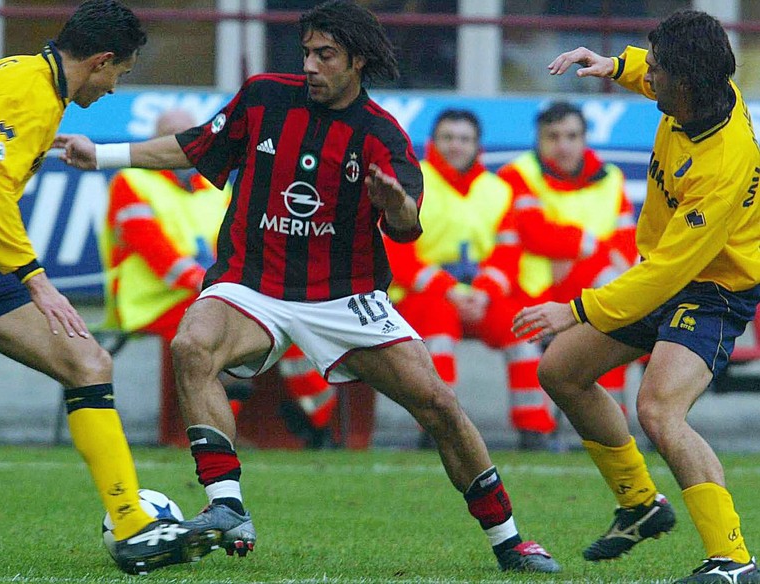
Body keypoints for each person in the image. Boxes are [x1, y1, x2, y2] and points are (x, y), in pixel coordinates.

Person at [57, 0, 561, 574]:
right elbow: (194, 145)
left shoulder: (381, 136)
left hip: (345, 297)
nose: (312, 66)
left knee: (440, 406)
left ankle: (510, 540)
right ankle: (226, 506)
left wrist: (395, 205)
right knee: (192, 345)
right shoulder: (265, 96)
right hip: (252, 282)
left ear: (358, 61)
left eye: (326, 55)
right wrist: (103, 155)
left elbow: (407, 222)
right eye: (307, 53)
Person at [0, 1, 203, 576]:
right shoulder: (26, 87)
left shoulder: (43, 90)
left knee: (87, 360)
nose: (113, 90)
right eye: (120, 75)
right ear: (103, 61)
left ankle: (133, 523)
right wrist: (37, 281)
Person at [514, 10, 760, 583]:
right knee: (560, 370)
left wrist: (572, 308)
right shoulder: (694, 91)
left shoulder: (724, 164)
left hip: (714, 289)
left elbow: (668, 274)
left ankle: (734, 559)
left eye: (658, 71)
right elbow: (654, 69)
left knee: (658, 409)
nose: (650, 77)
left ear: (688, 84)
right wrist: (614, 64)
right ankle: (641, 504)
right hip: (665, 270)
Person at [103, 108, 338, 448]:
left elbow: (241, 245)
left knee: (278, 309)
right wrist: (223, 290)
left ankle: (316, 420)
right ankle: (216, 433)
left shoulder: (216, 187)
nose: (180, 144)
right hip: (148, 302)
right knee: (221, 324)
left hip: (208, 293)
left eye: (188, 135)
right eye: (171, 136)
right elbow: (159, 256)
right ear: (155, 142)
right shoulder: (132, 181)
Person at [489, 101, 637, 449]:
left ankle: (610, 433)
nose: (563, 145)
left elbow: (627, 242)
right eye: (552, 136)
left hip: (593, 284)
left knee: (612, 331)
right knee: (528, 339)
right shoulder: (518, 173)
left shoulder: (610, 178)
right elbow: (533, 232)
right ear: (538, 140)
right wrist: (588, 244)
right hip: (533, 287)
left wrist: (581, 254)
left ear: (585, 138)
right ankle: (535, 434)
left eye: (571, 136)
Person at [382, 109, 512, 449]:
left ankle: (535, 432)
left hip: (482, 295)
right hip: (421, 294)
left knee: (521, 328)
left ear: (478, 146)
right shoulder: (412, 183)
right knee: (437, 329)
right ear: (432, 143)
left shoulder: (497, 190)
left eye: (464, 139)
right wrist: (451, 291)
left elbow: (509, 251)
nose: (456, 146)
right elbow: (397, 253)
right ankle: (438, 426)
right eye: (448, 138)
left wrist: (483, 293)